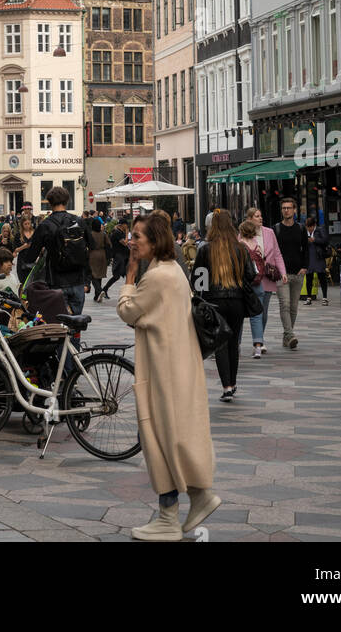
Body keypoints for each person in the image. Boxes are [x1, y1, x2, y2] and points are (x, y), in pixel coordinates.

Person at [117, 211, 218, 542]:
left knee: (160, 436)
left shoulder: (156, 277)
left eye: (137, 237)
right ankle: (197, 496)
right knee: (177, 433)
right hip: (179, 364)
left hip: (164, 368)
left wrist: (130, 275)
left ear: (154, 240)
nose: (132, 242)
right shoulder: (173, 270)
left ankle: (168, 515)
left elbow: (127, 312)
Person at [194, 208, 258, 400]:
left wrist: (202, 296)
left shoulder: (206, 248)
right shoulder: (240, 248)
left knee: (220, 343)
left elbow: (198, 279)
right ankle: (234, 382)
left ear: (213, 226)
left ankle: (227, 387)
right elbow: (251, 274)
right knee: (233, 342)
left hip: (215, 302)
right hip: (237, 300)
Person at [14, 186, 93, 318]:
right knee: (76, 323)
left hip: (56, 281)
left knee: (60, 324)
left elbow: (30, 257)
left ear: (49, 203)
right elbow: (91, 248)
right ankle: (74, 339)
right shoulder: (78, 221)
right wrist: (87, 281)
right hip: (78, 280)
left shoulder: (45, 225)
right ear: (67, 201)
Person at [240, 207, 287, 354]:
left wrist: (283, 272)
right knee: (245, 312)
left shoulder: (269, 232)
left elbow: (277, 253)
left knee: (262, 311)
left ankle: (260, 341)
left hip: (266, 276)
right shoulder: (243, 235)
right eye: (256, 216)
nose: (260, 218)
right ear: (249, 219)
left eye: (261, 216)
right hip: (249, 278)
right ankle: (251, 343)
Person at [273, 198, 309, 349]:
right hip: (282, 274)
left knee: (294, 307)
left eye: (289, 208)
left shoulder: (301, 229)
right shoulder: (276, 229)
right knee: (285, 304)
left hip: (298, 272)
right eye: (283, 208)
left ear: (295, 210)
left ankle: (287, 336)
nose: (286, 210)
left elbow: (306, 249)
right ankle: (290, 335)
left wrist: (305, 267)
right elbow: (273, 251)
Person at [99, 219, 130, 300]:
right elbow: (125, 243)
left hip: (123, 256)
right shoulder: (117, 233)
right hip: (119, 257)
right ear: (122, 224)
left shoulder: (119, 231)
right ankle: (105, 289)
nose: (127, 227)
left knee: (121, 275)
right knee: (119, 275)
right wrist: (127, 234)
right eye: (126, 225)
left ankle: (105, 289)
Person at [304, 216, 330, 305]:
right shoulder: (305, 231)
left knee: (322, 277)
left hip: (318, 256)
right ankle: (308, 298)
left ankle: (325, 297)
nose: (309, 229)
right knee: (309, 277)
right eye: (307, 227)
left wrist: (314, 240)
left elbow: (325, 241)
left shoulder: (320, 230)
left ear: (314, 225)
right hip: (309, 256)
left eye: (310, 227)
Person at [88, 217, 112, 302]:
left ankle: (99, 291)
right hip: (102, 255)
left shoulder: (90, 234)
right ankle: (97, 296)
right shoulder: (103, 234)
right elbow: (109, 244)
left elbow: (86, 245)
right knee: (99, 275)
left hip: (93, 255)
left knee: (93, 275)